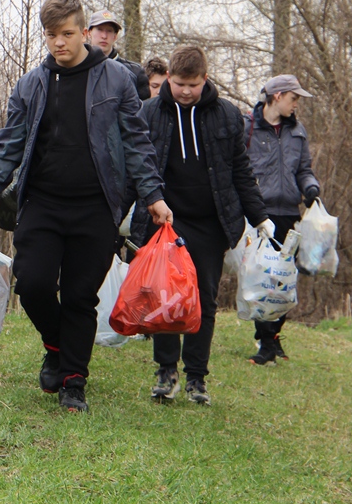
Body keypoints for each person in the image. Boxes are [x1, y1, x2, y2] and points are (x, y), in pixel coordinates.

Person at [0, 0, 172, 414]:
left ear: (84, 33)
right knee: (33, 283)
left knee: (79, 296)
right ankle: (56, 346)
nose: (59, 43)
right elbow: (9, 145)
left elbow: (136, 144)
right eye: (52, 35)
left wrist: (154, 196)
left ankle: (74, 380)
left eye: (68, 34)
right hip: (41, 202)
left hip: (95, 206)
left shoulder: (115, 81)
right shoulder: (31, 84)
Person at [128, 45, 272, 405]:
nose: (186, 91)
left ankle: (197, 376)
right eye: (178, 84)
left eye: (192, 84)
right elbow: (135, 169)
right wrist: (120, 217)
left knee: (203, 300)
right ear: (168, 81)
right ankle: (166, 371)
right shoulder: (148, 113)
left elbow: (241, 169)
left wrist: (260, 218)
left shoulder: (226, 116)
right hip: (165, 222)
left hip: (212, 222)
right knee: (164, 297)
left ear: (205, 79)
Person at [243, 74, 320, 366]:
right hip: (259, 215)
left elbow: (304, 169)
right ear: (277, 97)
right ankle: (265, 341)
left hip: (290, 213)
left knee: (285, 279)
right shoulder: (248, 128)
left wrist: (311, 188)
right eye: (293, 98)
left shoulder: (297, 131)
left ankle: (273, 336)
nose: (296, 104)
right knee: (265, 279)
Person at [87, 9, 150, 100]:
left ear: (115, 36)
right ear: (89, 33)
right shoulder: (77, 69)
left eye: (109, 31)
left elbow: (143, 110)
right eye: (99, 29)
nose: (104, 36)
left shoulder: (134, 73)